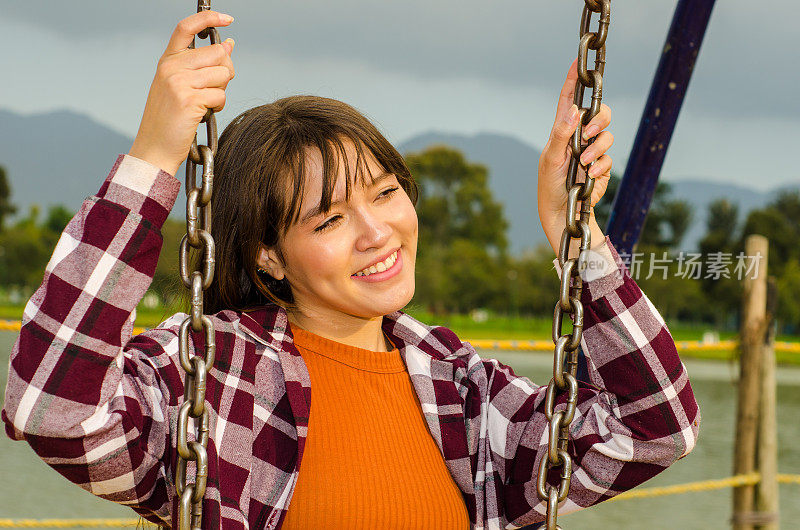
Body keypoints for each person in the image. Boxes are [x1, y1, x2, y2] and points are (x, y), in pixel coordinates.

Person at [2, 10, 700, 530]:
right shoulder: (212, 378)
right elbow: (53, 412)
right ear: (267, 253)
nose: (377, 232)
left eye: (386, 192)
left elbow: (654, 428)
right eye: (330, 219)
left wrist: (572, 233)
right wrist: (154, 156)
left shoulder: (458, 389)